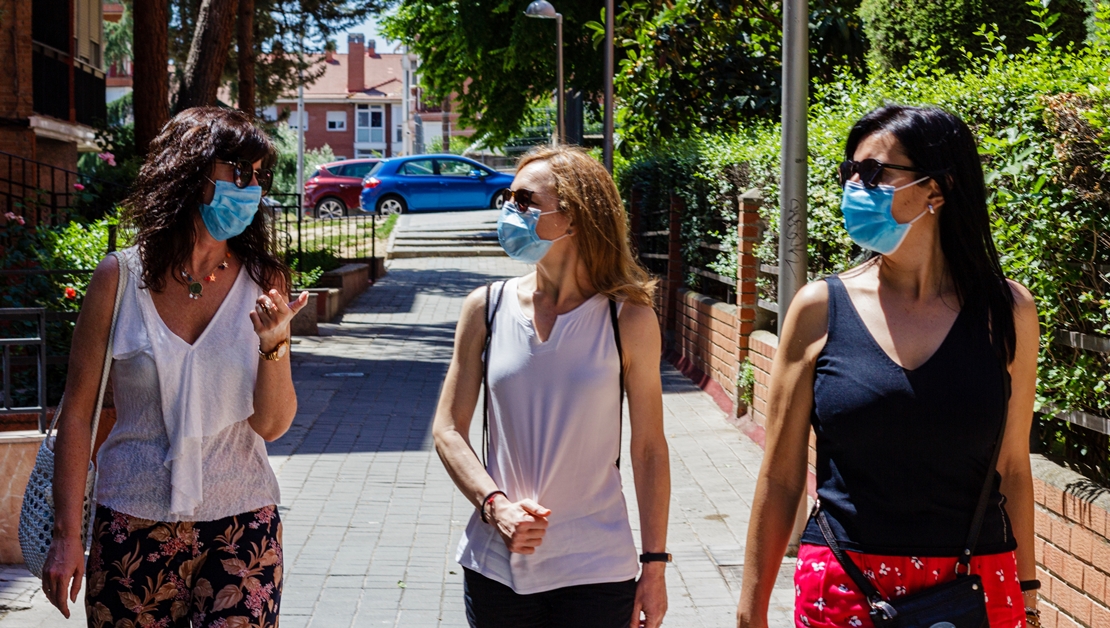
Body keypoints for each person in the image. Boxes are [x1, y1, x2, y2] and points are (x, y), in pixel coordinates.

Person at [735, 105, 1041, 628]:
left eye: (875, 172)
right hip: (845, 588)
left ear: (937, 189)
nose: (856, 185)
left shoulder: (1007, 313)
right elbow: (782, 474)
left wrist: (1029, 596)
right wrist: (750, 611)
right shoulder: (818, 308)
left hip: (976, 589)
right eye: (850, 171)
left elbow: (1012, 467)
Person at [41, 107, 308, 627]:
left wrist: (274, 344)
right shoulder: (119, 280)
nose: (252, 188)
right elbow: (78, 415)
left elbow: (272, 425)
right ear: (192, 172)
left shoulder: (264, 280)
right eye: (240, 172)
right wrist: (66, 535)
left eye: (260, 176)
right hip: (131, 524)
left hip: (243, 524)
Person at [433, 146, 671, 628]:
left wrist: (655, 565)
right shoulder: (486, 308)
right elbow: (448, 430)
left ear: (575, 219)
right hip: (497, 565)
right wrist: (493, 505)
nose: (508, 211)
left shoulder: (626, 317)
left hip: (597, 568)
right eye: (507, 198)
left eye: (525, 201)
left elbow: (647, 449)